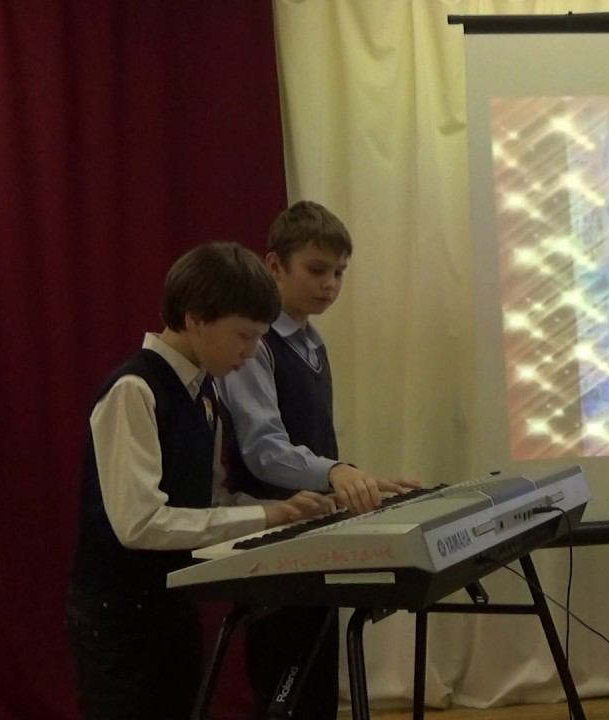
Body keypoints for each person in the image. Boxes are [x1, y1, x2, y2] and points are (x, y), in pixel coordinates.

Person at [66, 242, 337, 720]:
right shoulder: (134, 390)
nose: (251, 352)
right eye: (243, 336)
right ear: (195, 319)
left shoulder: (205, 393)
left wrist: (284, 513)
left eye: (258, 338)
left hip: (172, 605)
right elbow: (139, 523)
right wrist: (263, 516)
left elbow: (209, 500)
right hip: (119, 615)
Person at [218, 200, 417, 718]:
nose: (330, 284)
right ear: (274, 265)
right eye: (316, 269)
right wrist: (334, 471)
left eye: (339, 273)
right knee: (284, 681)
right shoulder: (256, 344)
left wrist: (358, 480)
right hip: (273, 534)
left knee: (318, 678)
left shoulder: (312, 343)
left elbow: (313, 443)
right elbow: (264, 450)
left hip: (313, 527)